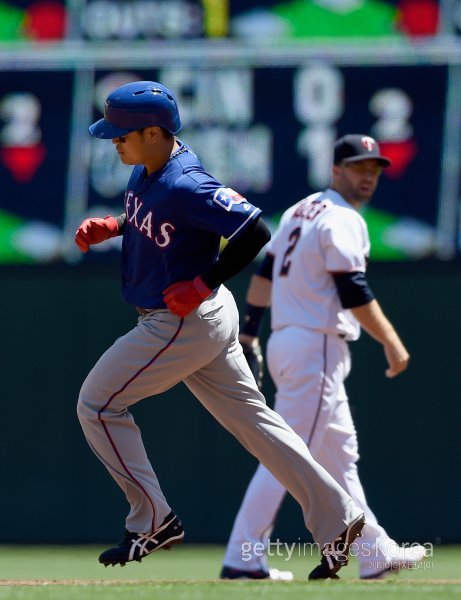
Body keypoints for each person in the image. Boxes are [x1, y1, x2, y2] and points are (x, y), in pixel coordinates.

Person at [74, 81, 365, 579]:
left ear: (153, 132)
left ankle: (153, 519)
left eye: (122, 135)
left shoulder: (187, 180)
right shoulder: (152, 168)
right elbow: (161, 216)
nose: (114, 142)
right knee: (258, 425)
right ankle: (339, 520)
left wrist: (205, 280)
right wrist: (116, 225)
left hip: (182, 320)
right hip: (201, 318)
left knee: (97, 404)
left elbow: (255, 228)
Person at [221, 134, 426, 580]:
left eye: (374, 168)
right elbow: (352, 289)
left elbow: (266, 270)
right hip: (315, 345)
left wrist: (253, 332)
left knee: (339, 456)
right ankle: (242, 555)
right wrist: (392, 340)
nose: (368, 176)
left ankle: (374, 553)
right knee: (286, 456)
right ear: (336, 170)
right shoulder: (343, 217)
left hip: (294, 342)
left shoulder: (299, 210)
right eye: (358, 167)